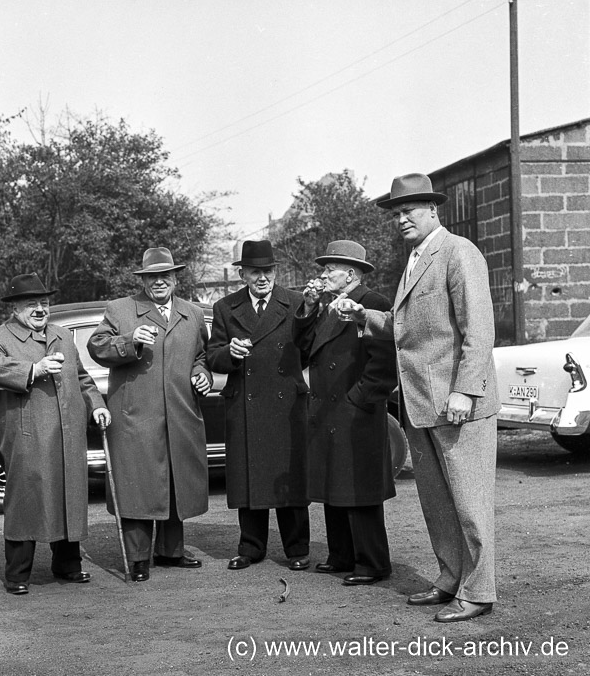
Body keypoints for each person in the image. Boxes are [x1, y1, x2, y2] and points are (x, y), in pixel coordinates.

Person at [334, 173, 499, 622]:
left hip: (458, 405)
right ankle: (450, 578)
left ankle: (479, 590)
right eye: (396, 214)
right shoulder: (413, 259)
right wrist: (362, 313)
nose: (401, 219)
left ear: (433, 211)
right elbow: (406, 329)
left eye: (409, 211)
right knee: (437, 502)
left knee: (469, 501)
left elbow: (479, 330)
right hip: (421, 404)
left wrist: (466, 389)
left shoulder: (458, 252)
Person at [0, 273, 110, 595]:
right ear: (15, 308)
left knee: (68, 495)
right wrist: (33, 370)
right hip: (27, 434)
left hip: (68, 432)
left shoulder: (62, 335)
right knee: (26, 498)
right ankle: (18, 574)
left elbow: (82, 377)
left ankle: (68, 566)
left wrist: (96, 406)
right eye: (31, 304)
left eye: (44, 303)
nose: (40, 309)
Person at [87, 248, 211, 582]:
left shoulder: (193, 313)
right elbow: (96, 347)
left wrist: (203, 374)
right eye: (151, 277)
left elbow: (200, 355)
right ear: (142, 280)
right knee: (138, 487)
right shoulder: (121, 309)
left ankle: (171, 552)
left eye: (165, 276)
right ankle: (138, 557)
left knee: (175, 482)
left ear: (175, 278)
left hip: (180, 413)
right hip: (135, 417)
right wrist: (128, 340)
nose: (159, 282)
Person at [293, 240, 397, 586]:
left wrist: (359, 400)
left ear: (350, 273)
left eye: (328, 270)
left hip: (355, 411)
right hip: (328, 410)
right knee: (334, 484)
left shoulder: (374, 305)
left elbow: (383, 366)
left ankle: (371, 563)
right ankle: (341, 556)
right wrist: (308, 308)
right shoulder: (327, 307)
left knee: (359, 488)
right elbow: (306, 350)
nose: (322, 275)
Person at [207, 240, 310, 571]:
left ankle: (297, 548)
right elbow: (213, 356)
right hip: (245, 405)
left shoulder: (296, 303)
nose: (262, 278)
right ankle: (251, 547)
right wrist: (230, 353)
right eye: (255, 272)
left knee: (288, 476)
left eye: (267, 271)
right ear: (243, 274)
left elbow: (309, 350)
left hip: (286, 403)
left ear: (275, 271)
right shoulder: (226, 307)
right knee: (248, 476)